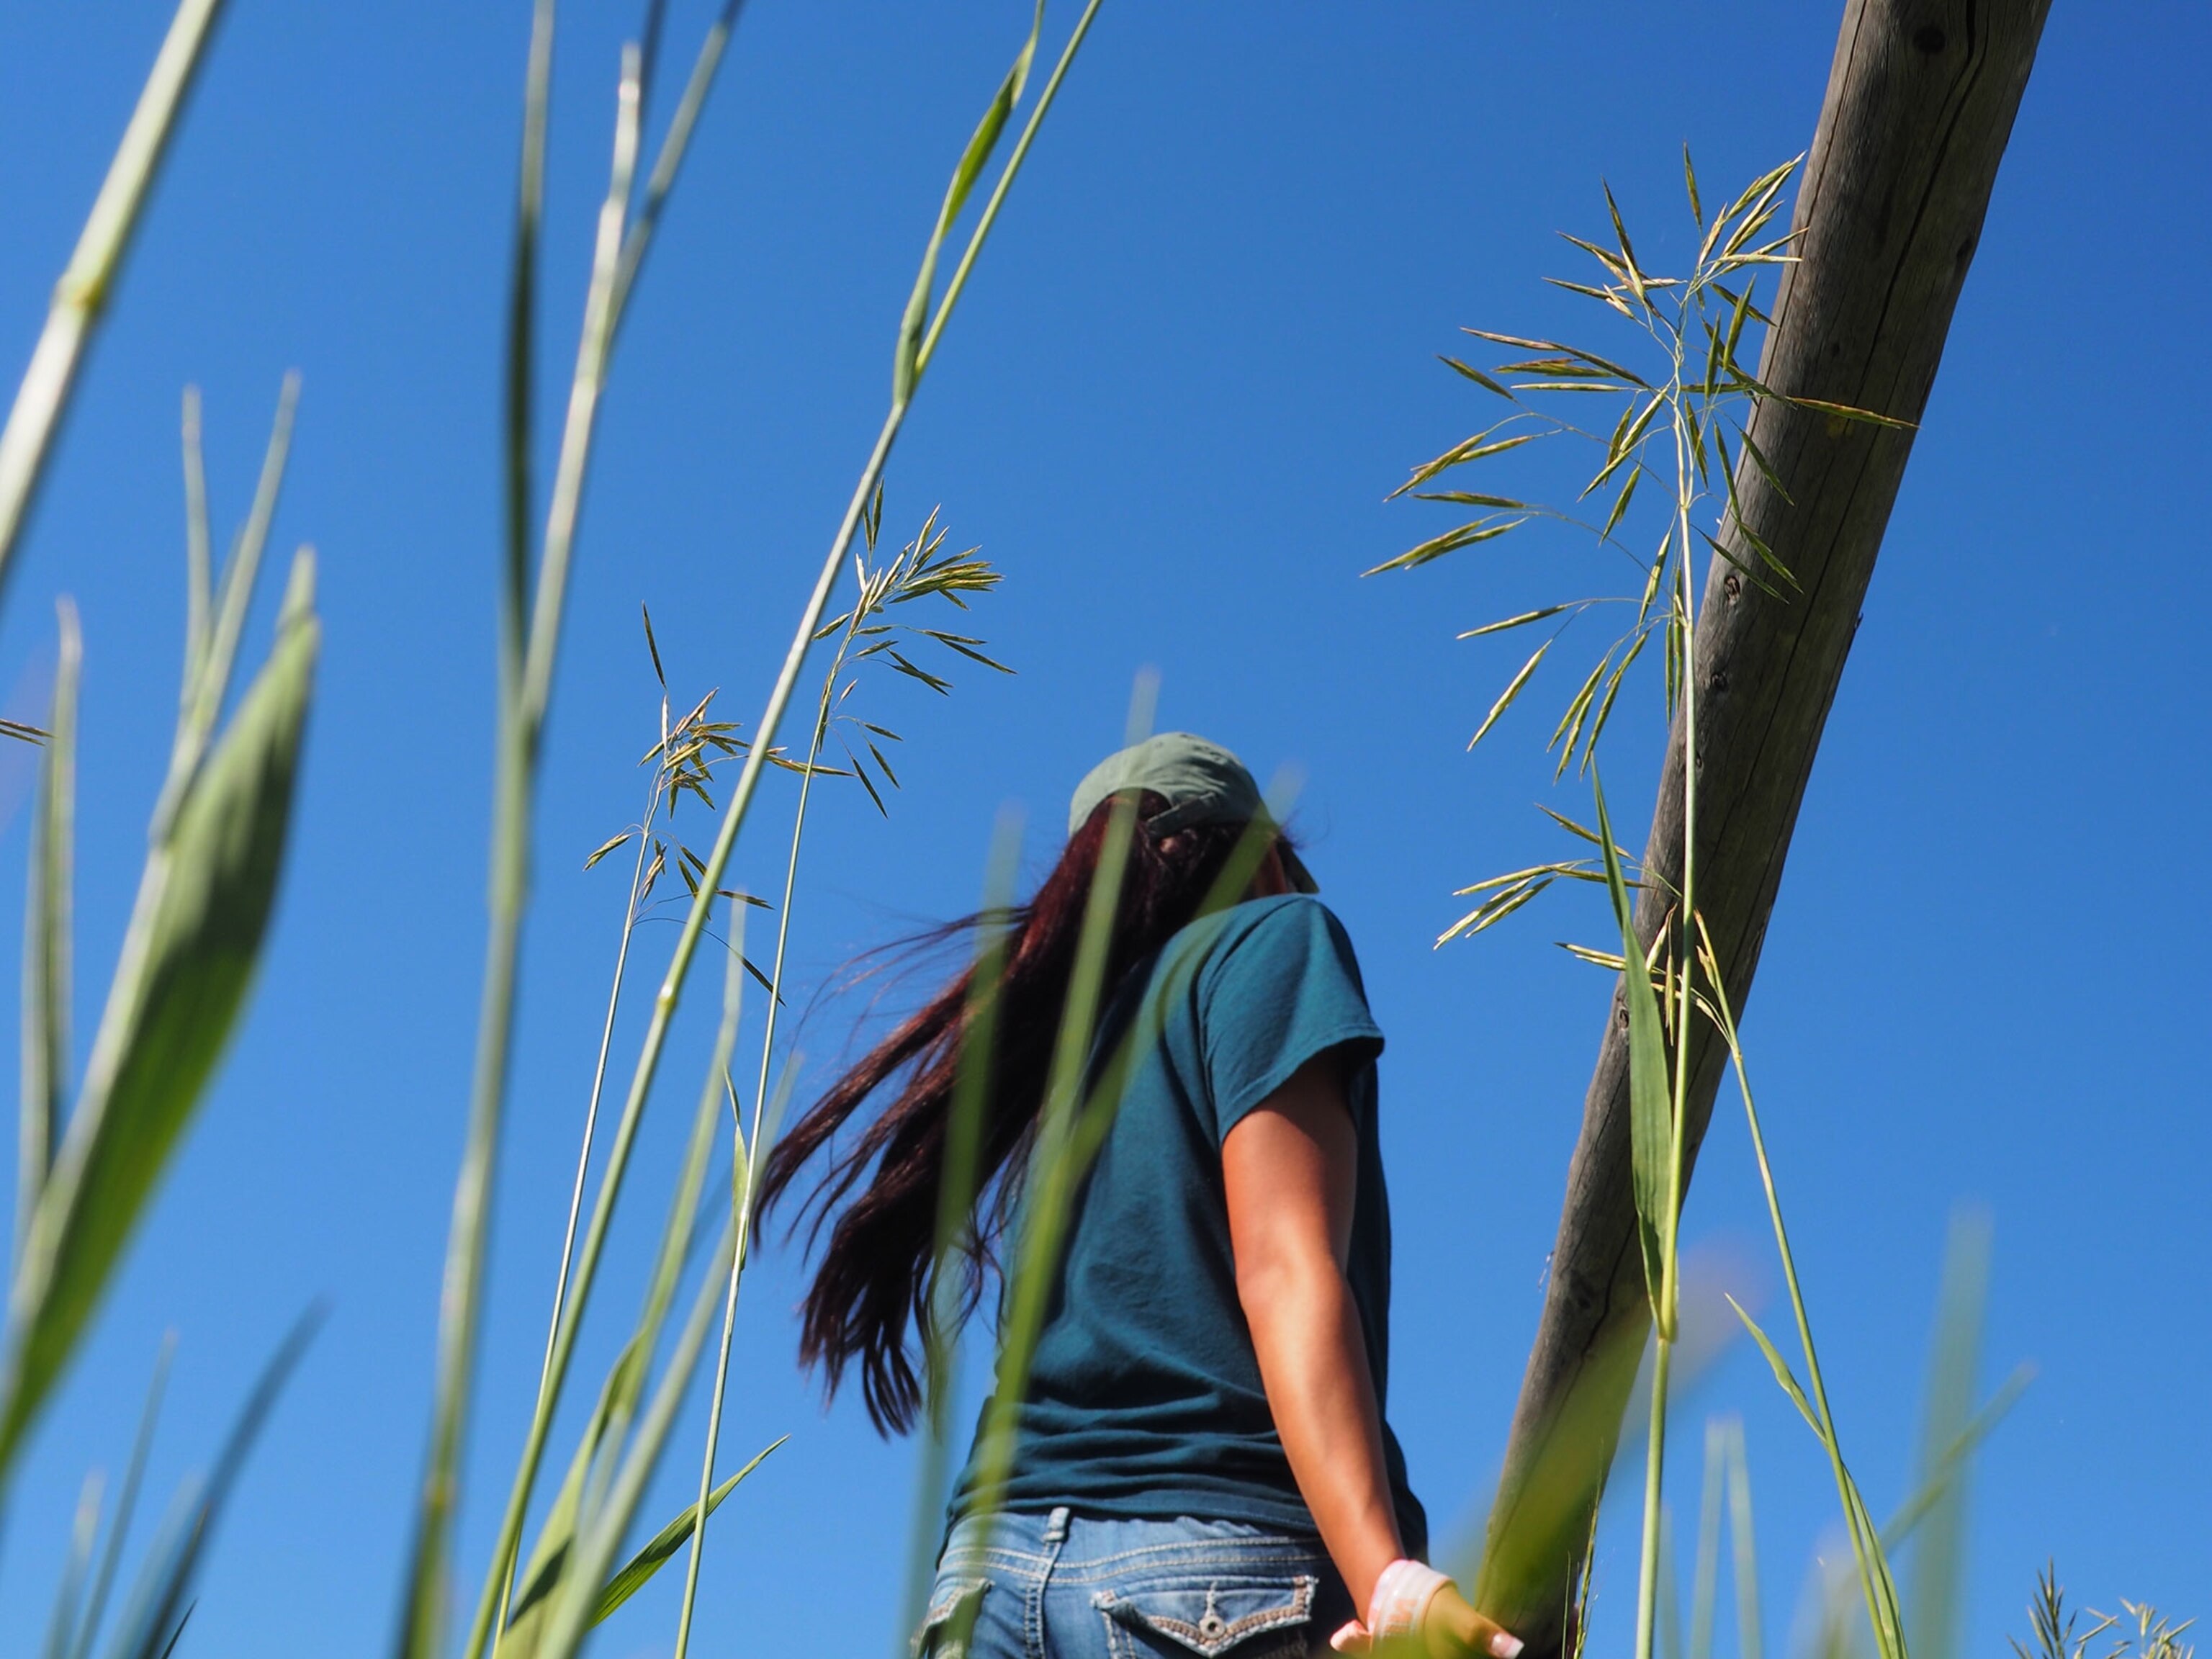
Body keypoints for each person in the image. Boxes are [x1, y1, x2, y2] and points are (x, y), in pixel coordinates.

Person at [760, 734, 1524, 1659]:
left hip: (983, 1583)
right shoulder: (1273, 940)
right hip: (1211, 1564)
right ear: (1260, 857)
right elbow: (1284, 1270)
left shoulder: (1059, 1064)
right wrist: (1388, 1581)